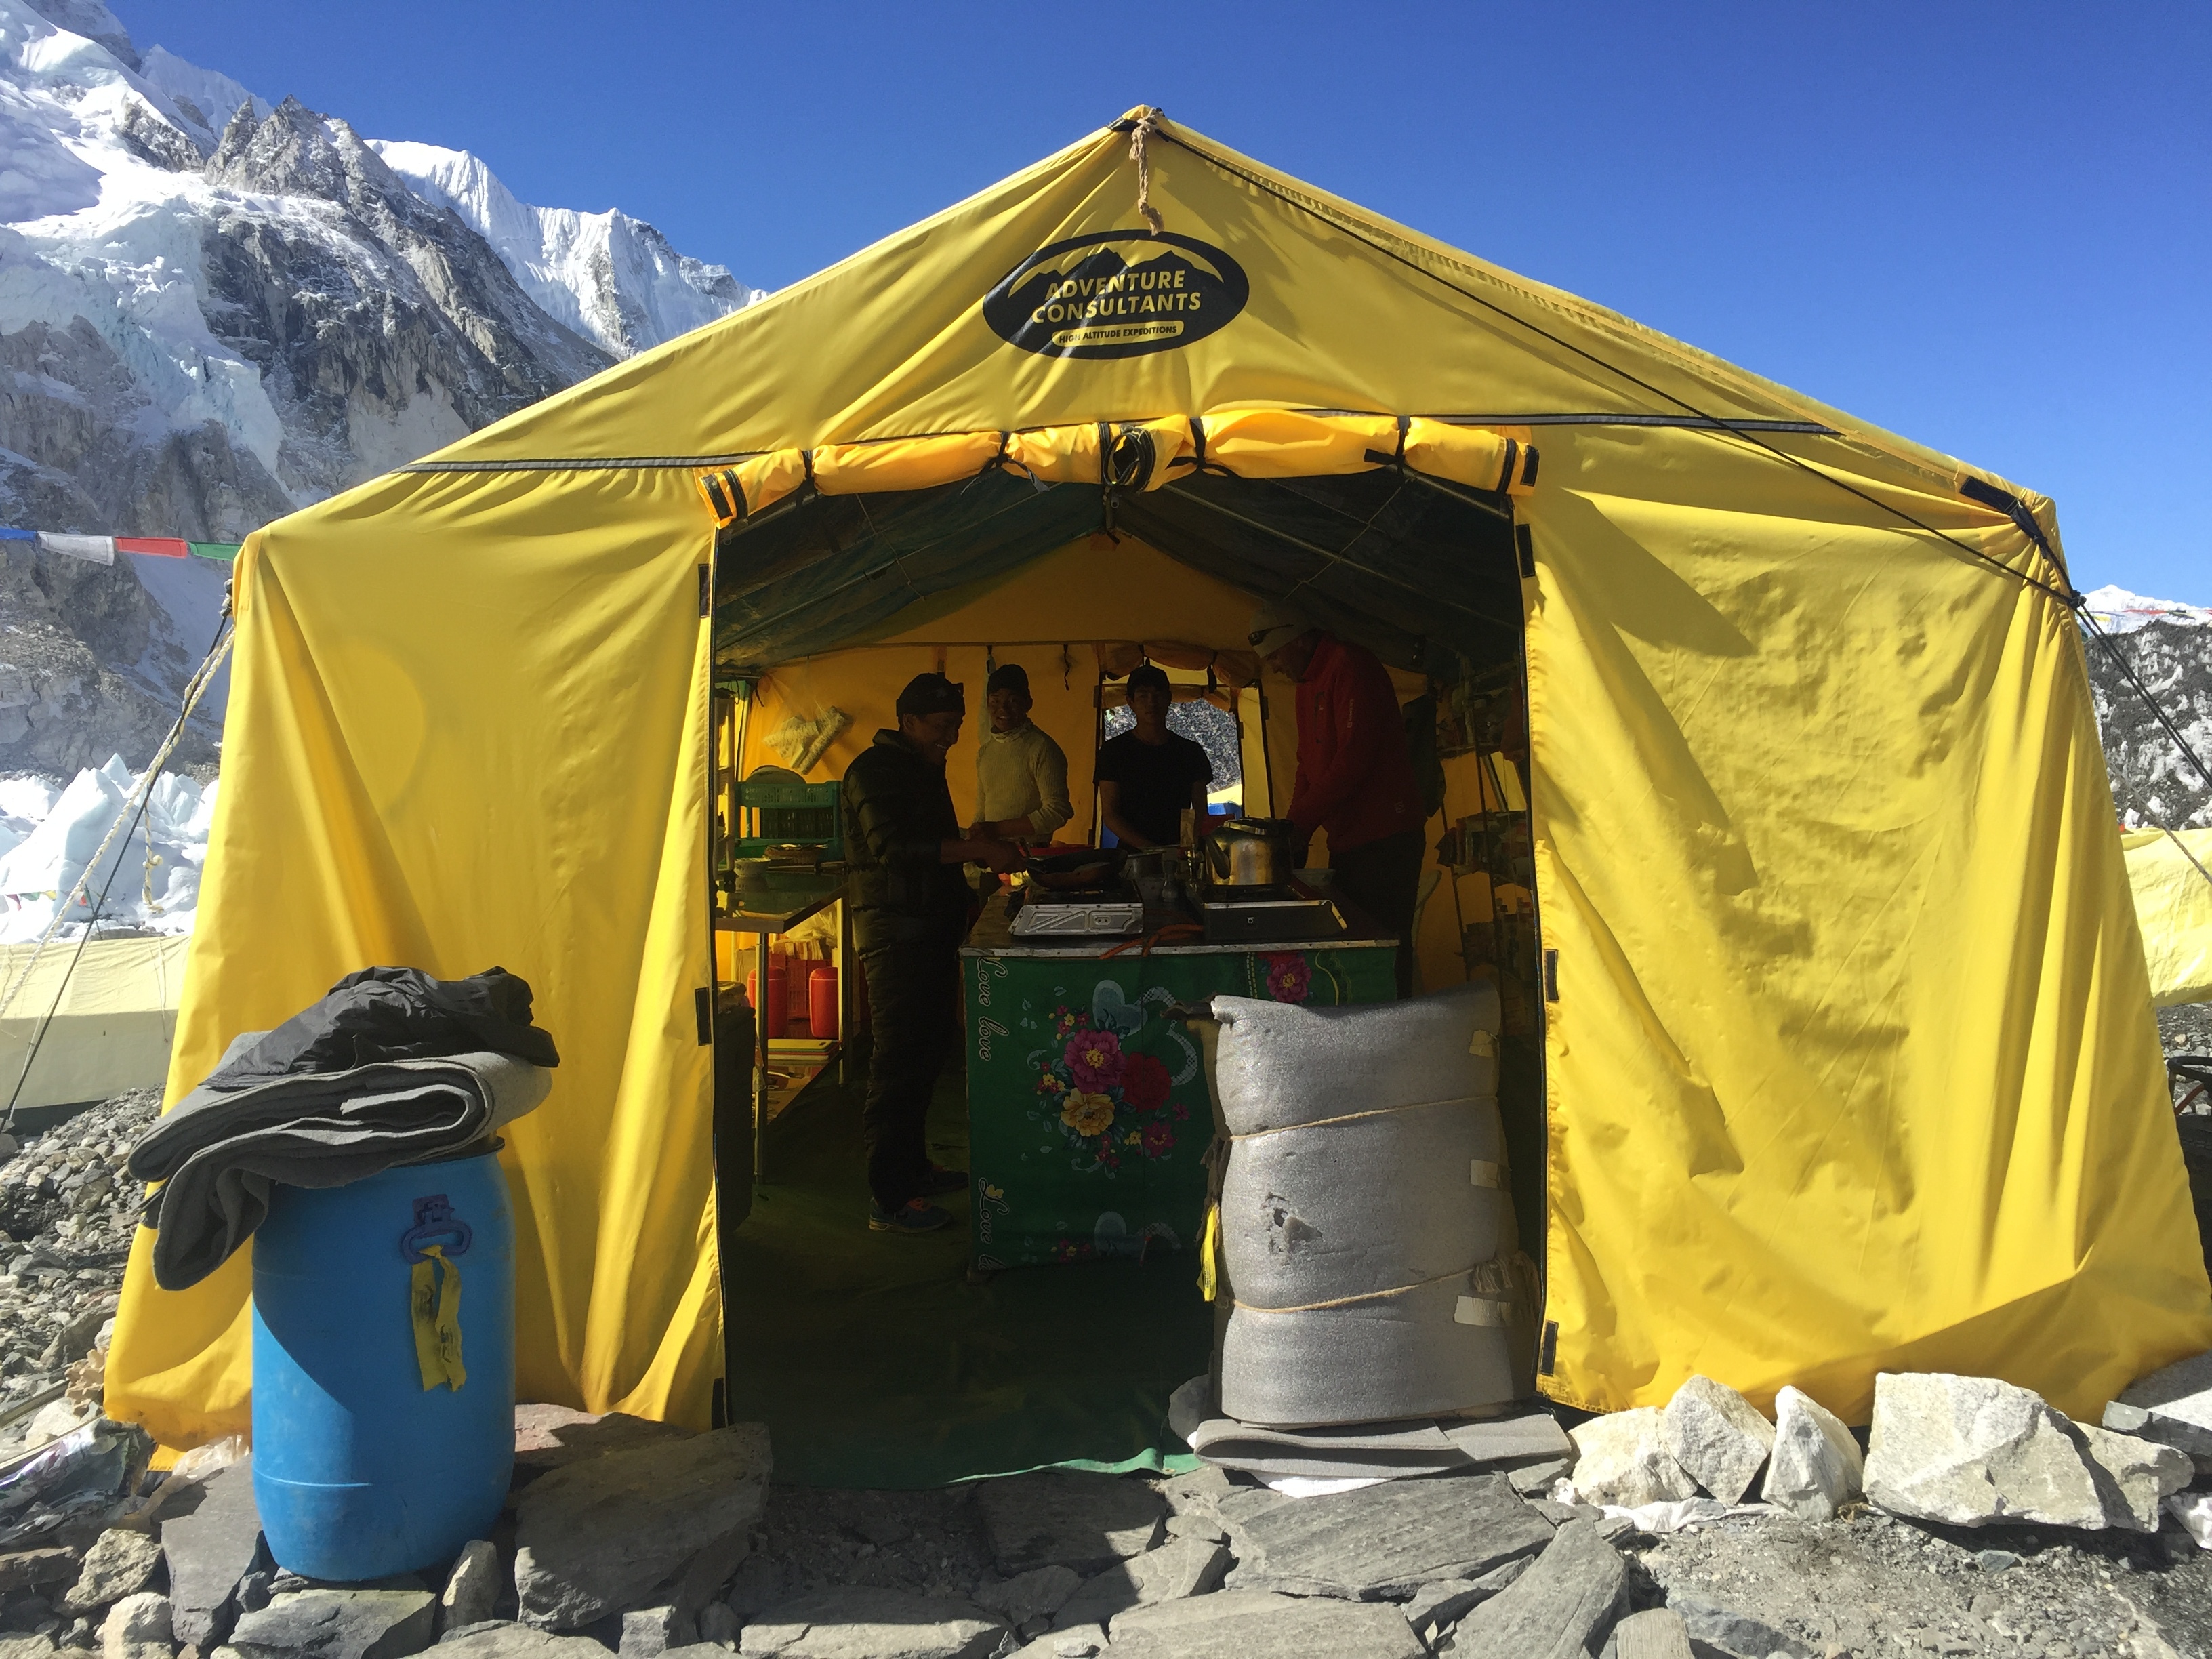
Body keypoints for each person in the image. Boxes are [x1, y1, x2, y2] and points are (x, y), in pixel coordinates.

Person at [841, 673, 1021, 1234]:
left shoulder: (922, 768)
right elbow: (893, 850)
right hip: (894, 935)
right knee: (897, 1063)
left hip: (929, 929)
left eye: (957, 727)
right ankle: (889, 1200)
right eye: (942, 727)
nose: (951, 737)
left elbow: (933, 848)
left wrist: (971, 859)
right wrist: (978, 848)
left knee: (925, 1055)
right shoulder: (872, 771)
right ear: (909, 720)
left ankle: (914, 1168)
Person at [1250, 601, 1427, 994]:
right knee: (1360, 940)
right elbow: (1306, 765)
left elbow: (1354, 759)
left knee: (1382, 943)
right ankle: (1369, 1023)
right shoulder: (1306, 684)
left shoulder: (1350, 665)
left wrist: (1301, 824)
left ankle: (1395, 1024)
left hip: (1386, 833)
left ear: (1296, 640)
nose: (1274, 666)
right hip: (1349, 838)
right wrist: (1293, 828)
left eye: (1275, 655)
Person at [1096, 663, 1212, 849]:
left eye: (1158, 695)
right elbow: (1110, 815)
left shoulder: (1190, 752)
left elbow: (1200, 811)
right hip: (1132, 859)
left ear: (1169, 698)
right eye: (1143, 695)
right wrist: (1152, 851)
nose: (1151, 702)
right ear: (1130, 701)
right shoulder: (1113, 752)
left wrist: (1185, 848)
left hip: (1180, 854)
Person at [969, 663, 1072, 844]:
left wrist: (997, 829)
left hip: (1031, 860)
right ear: (987, 704)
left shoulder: (1041, 748)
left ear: (1028, 703)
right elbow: (982, 812)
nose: (1003, 709)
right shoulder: (985, 752)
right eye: (995, 701)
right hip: (995, 857)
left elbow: (1057, 811)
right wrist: (977, 841)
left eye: (1013, 701)